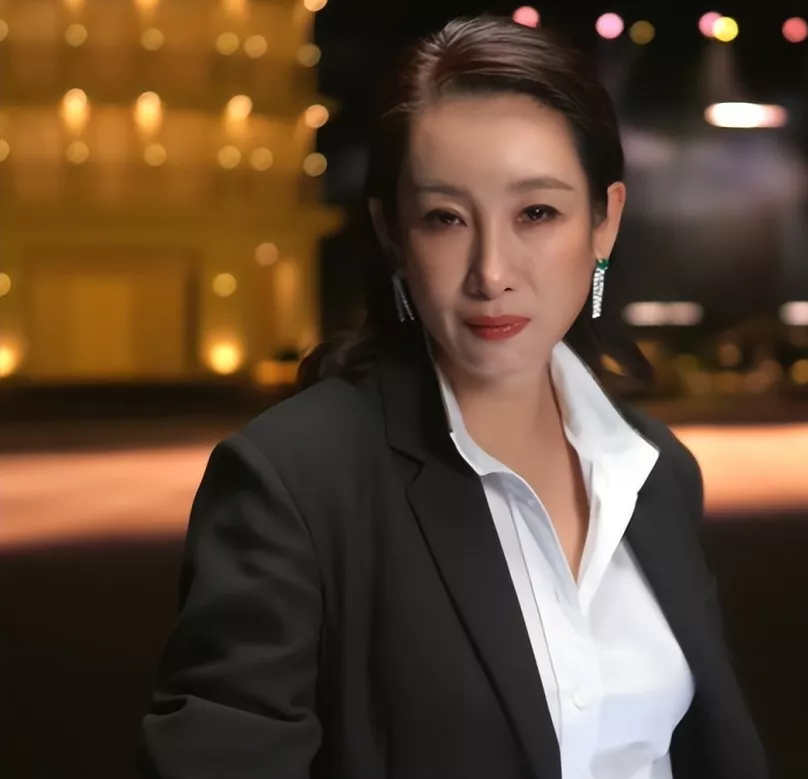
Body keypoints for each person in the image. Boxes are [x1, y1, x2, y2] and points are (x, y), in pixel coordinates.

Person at [139, 16, 767, 779]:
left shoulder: (656, 470)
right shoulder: (295, 483)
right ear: (393, 233)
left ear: (605, 222)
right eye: (445, 218)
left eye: (537, 213)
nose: (491, 271)